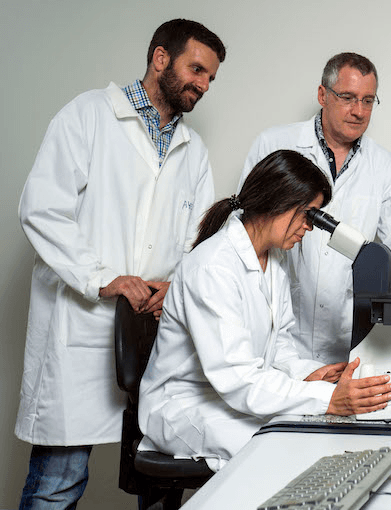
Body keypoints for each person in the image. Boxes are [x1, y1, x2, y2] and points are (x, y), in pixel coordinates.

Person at [15, 19, 226, 509]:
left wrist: (177, 287)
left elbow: (202, 241)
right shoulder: (88, 115)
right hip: (82, 325)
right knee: (59, 480)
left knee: (159, 479)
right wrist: (102, 278)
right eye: (196, 69)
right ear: (160, 59)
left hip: (155, 331)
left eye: (211, 78)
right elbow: (41, 208)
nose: (203, 85)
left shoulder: (194, 152)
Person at [137, 150, 391, 470]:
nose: (310, 228)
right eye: (309, 214)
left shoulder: (273, 262)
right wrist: (326, 398)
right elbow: (238, 378)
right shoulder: (212, 267)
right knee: (281, 451)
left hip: (228, 399)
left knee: (309, 435)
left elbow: (280, 346)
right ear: (278, 202)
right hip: (184, 407)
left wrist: (307, 375)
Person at [238, 52, 391, 365]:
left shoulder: (386, 168)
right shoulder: (274, 144)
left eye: (368, 100)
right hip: (276, 335)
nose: (359, 111)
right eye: (348, 97)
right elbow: (245, 235)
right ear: (323, 95)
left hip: (349, 341)